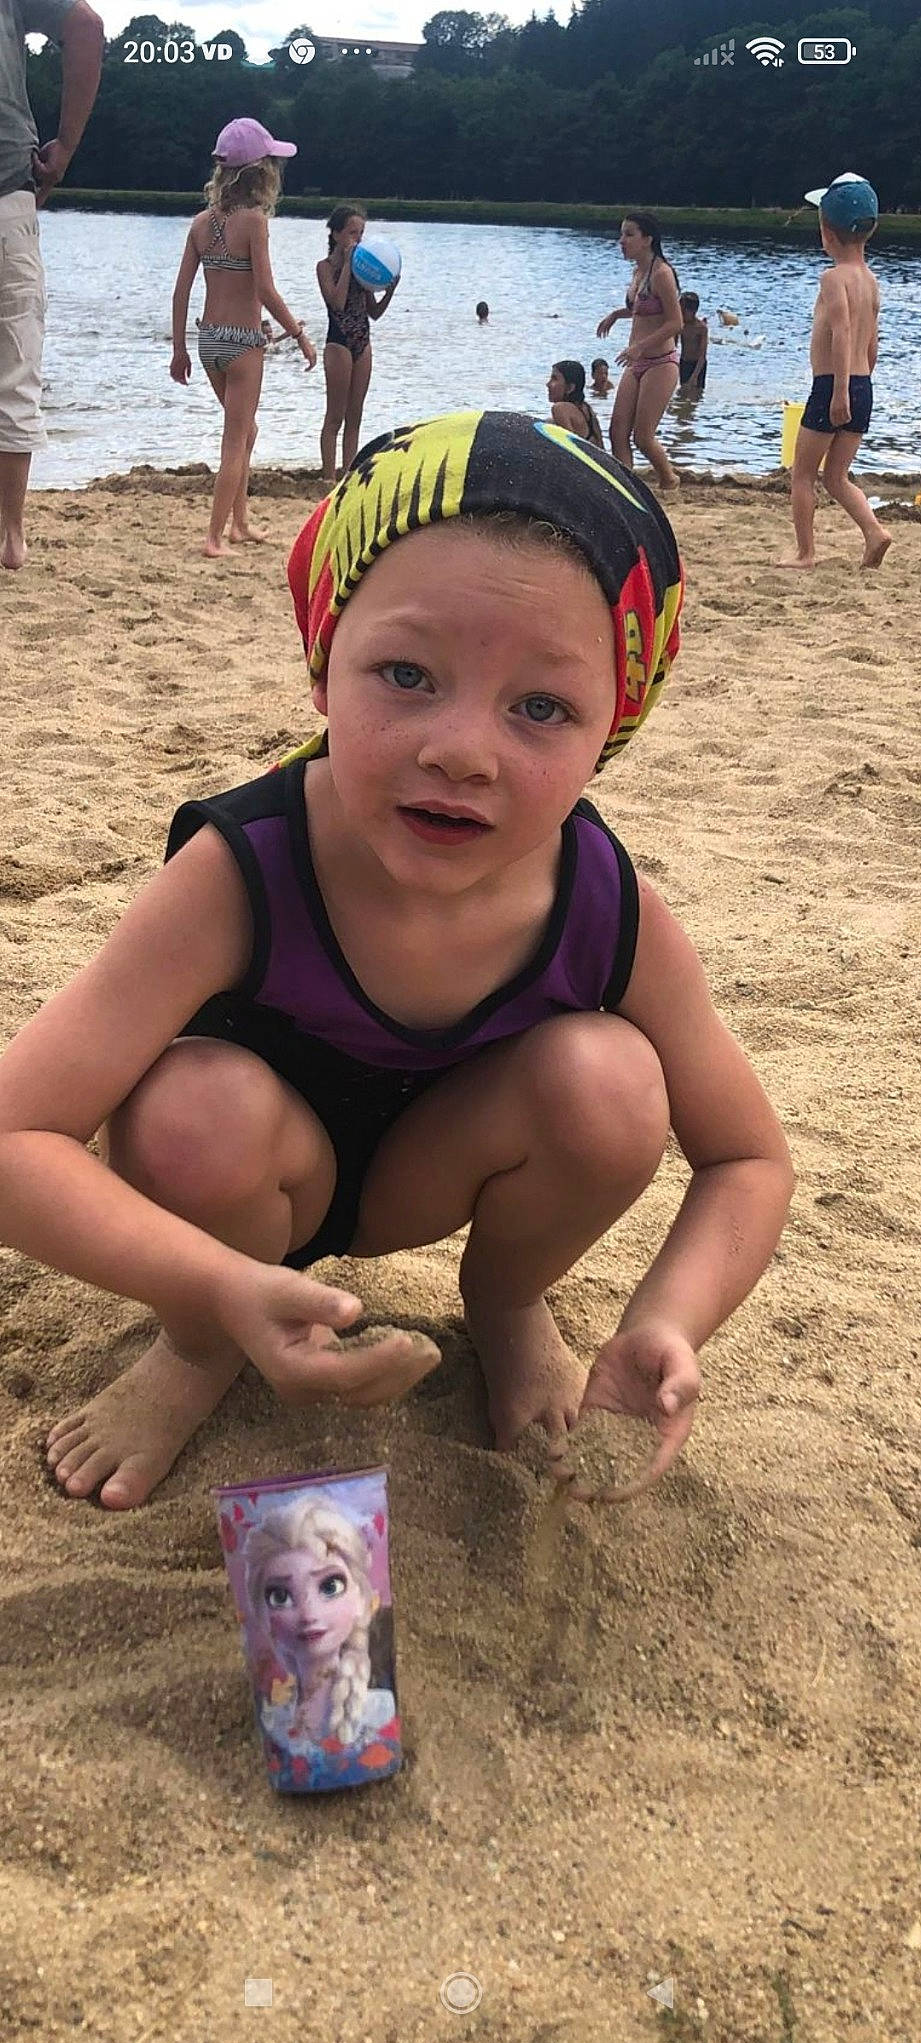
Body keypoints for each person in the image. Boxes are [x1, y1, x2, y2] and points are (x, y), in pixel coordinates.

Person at [0, 411, 794, 1513]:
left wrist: (666, 1317)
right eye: (408, 673)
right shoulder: (245, 869)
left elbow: (749, 1160)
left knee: (614, 1083)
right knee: (192, 1110)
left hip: (445, 1167)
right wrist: (216, 1289)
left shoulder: (607, 907)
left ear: (614, 725)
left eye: (541, 707)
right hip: (250, 1184)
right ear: (325, 665)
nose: (461, 748)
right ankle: (195, 1349)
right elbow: (14, 1135)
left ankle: (509, 1304)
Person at [170, 117, 317, 560]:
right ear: (260, 172)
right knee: (235, 440)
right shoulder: (254, 221)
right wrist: (299, 335)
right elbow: (266, 290)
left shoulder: (200, 222)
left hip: (209, 339)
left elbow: (181, 291)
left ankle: (240, 524)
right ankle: (214, 538)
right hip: (242, 342)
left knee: (245, 431)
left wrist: (179, 349)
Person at [0, 0, 102, 571]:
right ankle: (10, 537)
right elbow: (85, 24)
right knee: (15, 375)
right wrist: (63, 146)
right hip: (6, 197)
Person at [779, 174, 891, 572]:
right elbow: (871, 341)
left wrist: (839, 391)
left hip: (833, 386)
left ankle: (806, 553)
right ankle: (875, 532)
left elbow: (841, 333)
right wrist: (860, 387)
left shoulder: (833, 278)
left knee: (803, 474)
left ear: (826, 231)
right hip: (863, 384)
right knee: (838, 476)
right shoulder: (870, 280)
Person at [245, 1498, 397, 1750]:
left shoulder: (381, 1711)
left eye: (330, 1586)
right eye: (280, 1597)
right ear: (261, 1613)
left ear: (360, 1597)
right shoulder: (274, 1721)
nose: (308, 1614)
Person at [596, 212, 682, 491]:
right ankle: (627, 488)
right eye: (622, 234)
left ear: (647, 239)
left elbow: (675, 322)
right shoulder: (637, 272)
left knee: (643, 437)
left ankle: (669, 481)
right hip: (636, 362)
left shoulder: (662, 273)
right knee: (617, 431)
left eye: (629, 234)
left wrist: (640, 347)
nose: (622, 241)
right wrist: (616, 314)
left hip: (660, 362)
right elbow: (642, 310)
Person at [316, 204, 398, 488]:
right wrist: (349, 264)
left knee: (356, 413)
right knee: (335, 415)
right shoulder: (325, 268)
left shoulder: (364, 271)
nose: (358, 239)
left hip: (362, 340)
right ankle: (328, 477)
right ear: (337, 234)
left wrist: (390, 291)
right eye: (352, 232)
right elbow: (336, 302)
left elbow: (373, 312)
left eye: (361, 233)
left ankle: (348, 475)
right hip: (338, 342)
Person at [546, 360, 605, 447]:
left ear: (570, 388)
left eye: (554, 379)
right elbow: (601, 447)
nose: (548, 384)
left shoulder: (559, 408)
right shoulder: (587, 409)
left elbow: (569, 448)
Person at [677, 293, 708, 396]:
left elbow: (702, 356)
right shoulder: (680, 325)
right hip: (684, 362)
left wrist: (694, 377)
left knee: (696, 393)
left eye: (682, 310)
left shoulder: (701, 328)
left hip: (698, 365)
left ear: (692, 311)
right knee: (683, 392)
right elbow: (673, 345)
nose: (679, 313)